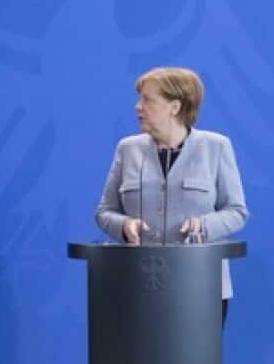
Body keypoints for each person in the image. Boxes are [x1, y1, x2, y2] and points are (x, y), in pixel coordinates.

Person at [95, 66, 248, 322]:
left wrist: (204, 225)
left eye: (147, 99)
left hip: (202, 286)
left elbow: (237, 211)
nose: (137, 107)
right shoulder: (127, 149)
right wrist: (124, 225)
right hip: (137, 286)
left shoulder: (216, 147)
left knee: (194, 362)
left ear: (174, 107)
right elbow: (104, 212)